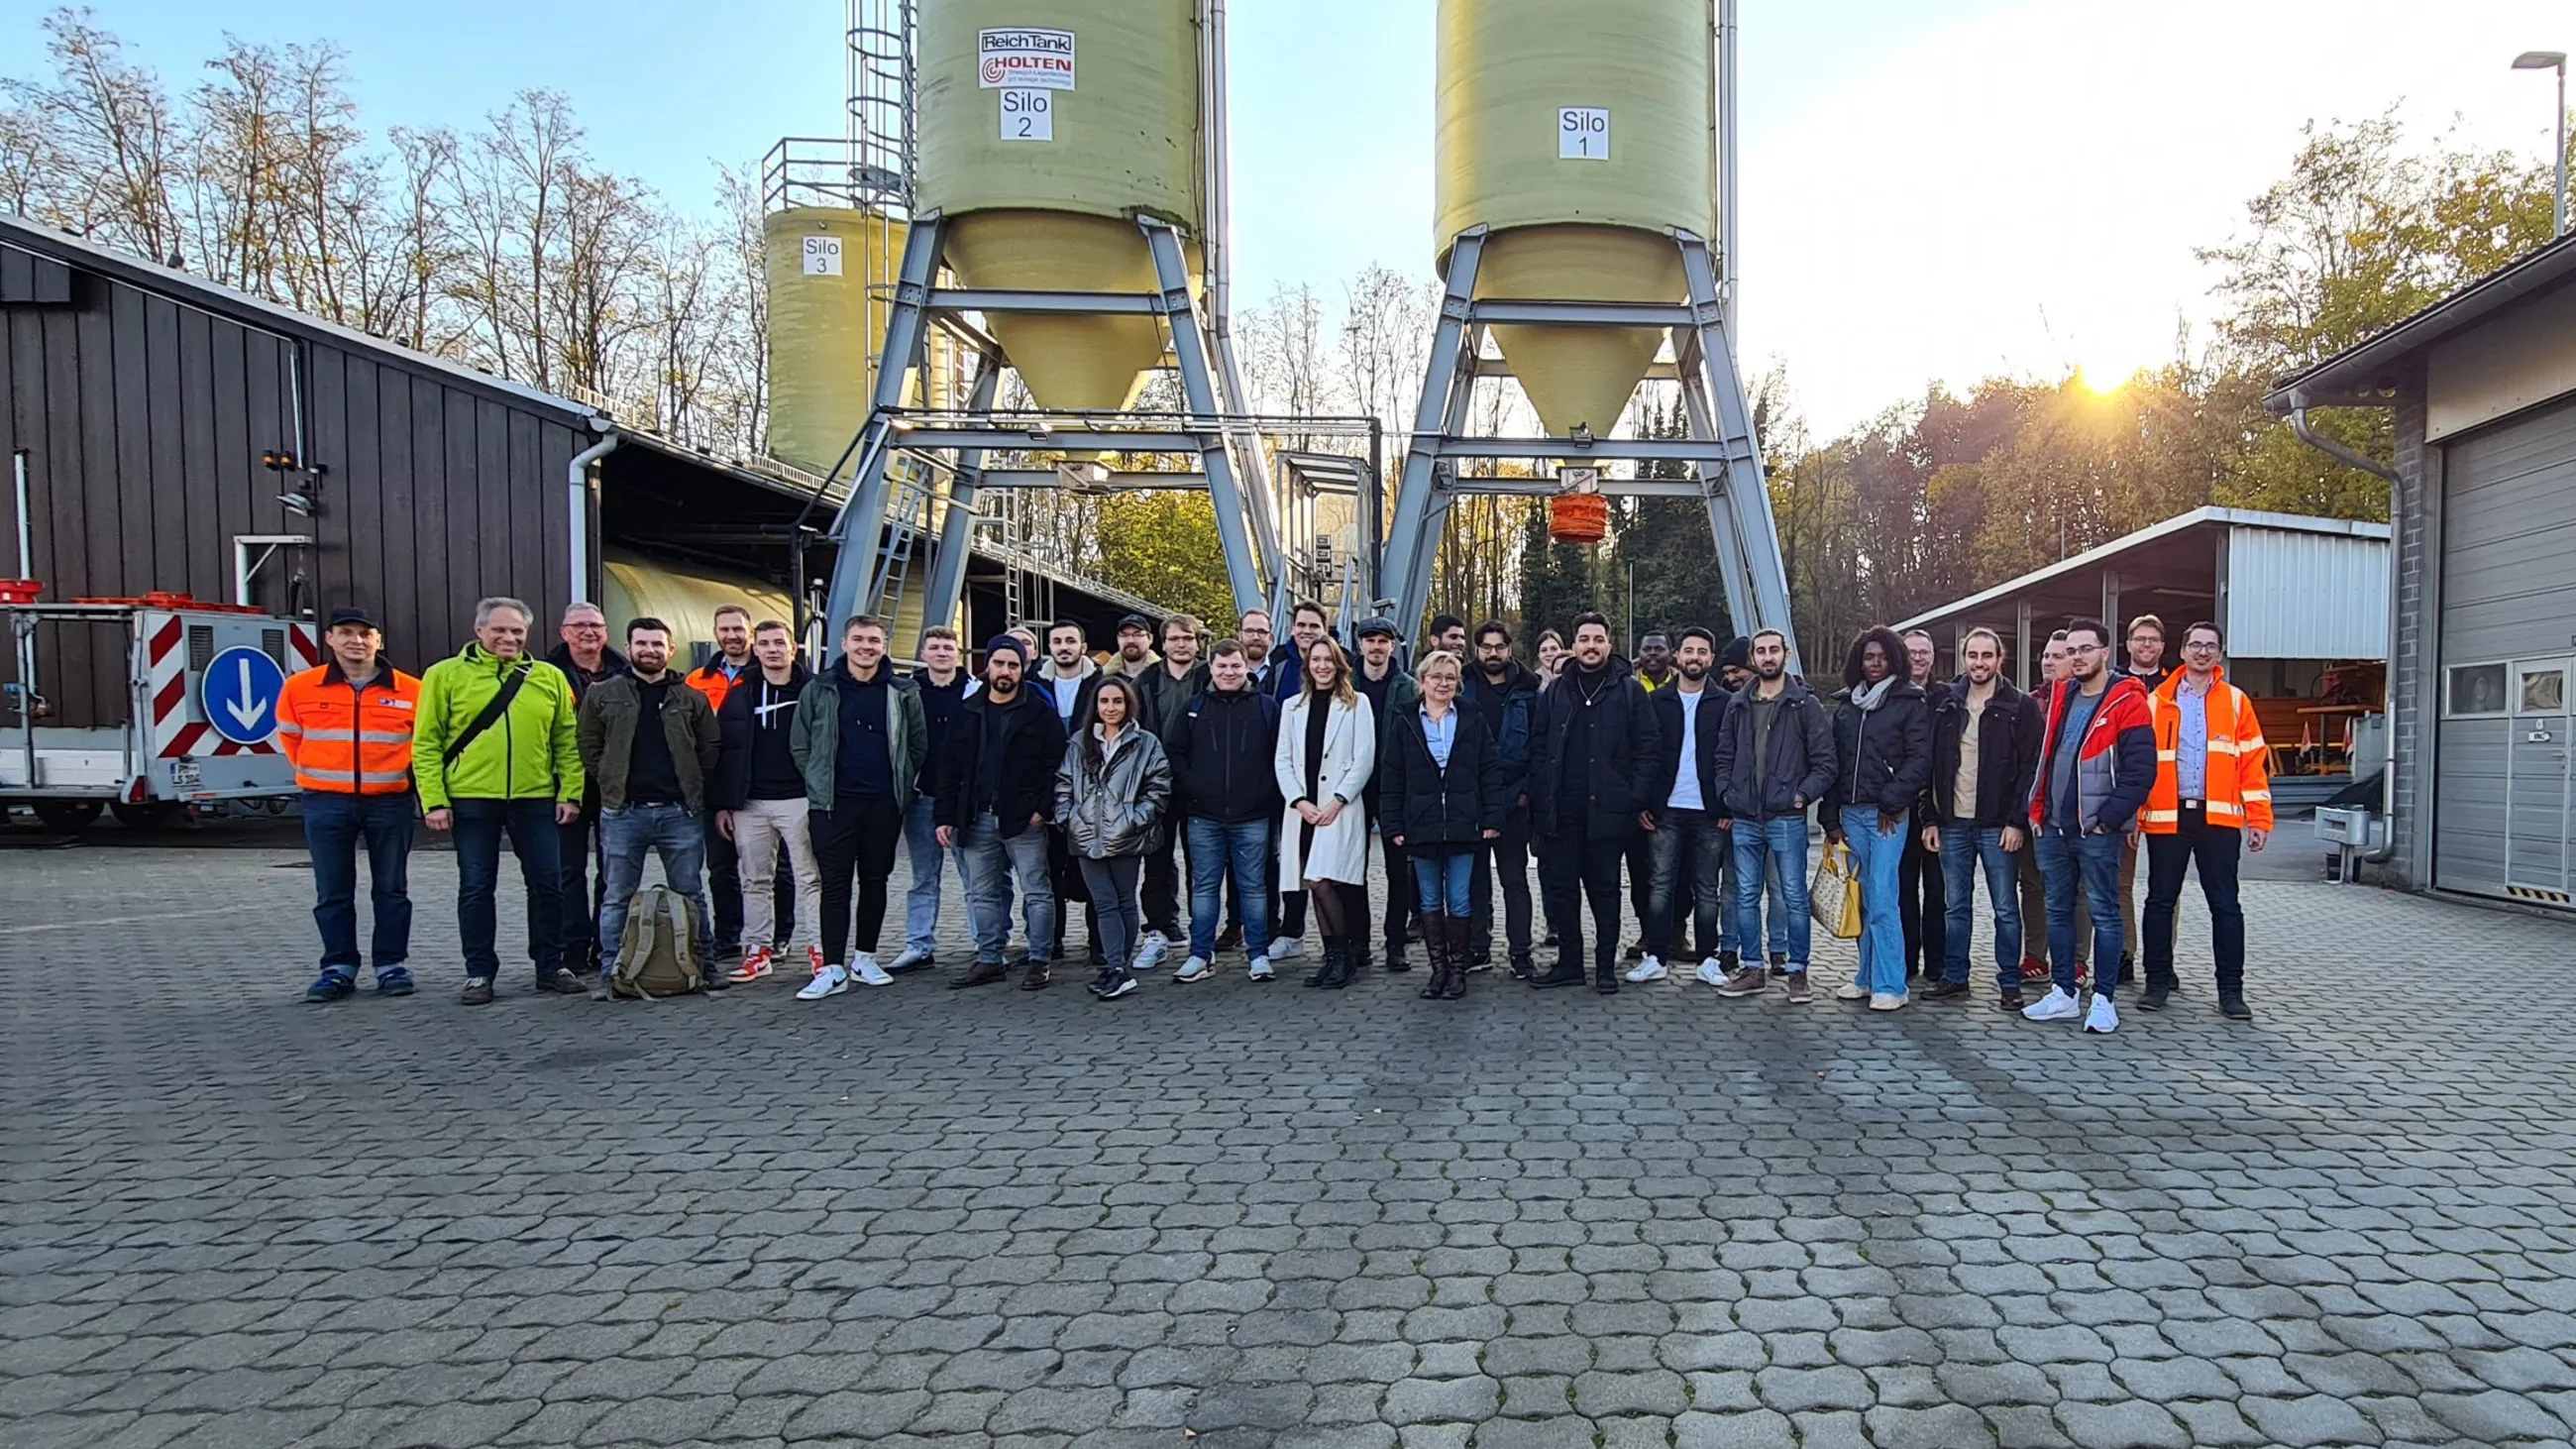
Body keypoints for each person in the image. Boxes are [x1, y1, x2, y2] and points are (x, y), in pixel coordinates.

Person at [413, 597, 585, 1005]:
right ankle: (478, 973)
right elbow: (426, 743)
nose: (509, 638)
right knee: (476, 885)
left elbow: (566, 739)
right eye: (500, 630)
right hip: (472, 798)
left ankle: (550, 965)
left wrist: (570, 791)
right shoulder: (444, 675)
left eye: (517, 632)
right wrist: (434, 800)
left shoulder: (548, 677)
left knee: (548, 884)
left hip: (535, 797)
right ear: (479, 631)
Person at [280, 607, 421, 1001]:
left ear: (379, 640)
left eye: (365, 634)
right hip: (326, 802)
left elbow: (424, 746)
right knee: (332, 890)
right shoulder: (300, 688)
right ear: (329, 639)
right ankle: (337, 967)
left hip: (390, 801)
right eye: (346, 632)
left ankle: (391, 965)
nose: (356, 641)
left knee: (392, 889)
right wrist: (319, 774)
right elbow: (291, 738)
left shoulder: (412, 690)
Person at [2023, 616, 2156, 1034]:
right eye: (2071, 651)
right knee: (2058, 910)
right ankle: (2064, 993)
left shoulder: (2127, 699)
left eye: (2085, 649)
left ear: (2104, 652)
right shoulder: (2063, 696)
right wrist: (2037, 812)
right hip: (2054, 828)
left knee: (2104, 912)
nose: (2077, 657)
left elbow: (2141, 771)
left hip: (2095, 831)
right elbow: (2049, 759)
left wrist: (2107, 821)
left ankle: (2104, 999)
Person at [579, 616, 723, 986]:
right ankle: (613, 970)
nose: (649, 650)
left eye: (657, 644)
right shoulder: (602, 694)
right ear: (628, 649)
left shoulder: (691, 698)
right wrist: (611, 780)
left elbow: (710, 747)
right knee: (617, 896)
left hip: (680, 812)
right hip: (623, 812)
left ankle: (703, 965)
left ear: (670, 650)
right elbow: (588, 745)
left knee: (691, 892)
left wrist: (692, 783)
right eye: (641, 643)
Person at [790, 615, 927, 998]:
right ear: (845, 644)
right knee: (834, 885)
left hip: (883, 803)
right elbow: (800, 744)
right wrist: (819, 782)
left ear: (884, 645)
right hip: (833, 805)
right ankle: (832, 968)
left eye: (874, 640)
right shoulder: (819, 689)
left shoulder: (903, 691)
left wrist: (897, 784)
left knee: (874, 881)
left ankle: (865, 958)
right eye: (859, 639)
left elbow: (917, 746)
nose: (867, 646)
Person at [1525, 612, 1663, 994]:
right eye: (1584, 639)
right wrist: (1541, 795)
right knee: (1564, 890)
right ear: (1575, 644)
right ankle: (1570, 963)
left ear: (1609, 645)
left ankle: (1604, 967)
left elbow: (1649, 750)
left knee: (1605, 892)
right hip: (1563, 812)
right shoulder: (1557, 690)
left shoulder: (1630, 691)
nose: (1591, 646)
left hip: (1609, 813)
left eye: (1598, 639)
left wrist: (1633, 797)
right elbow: (1538, 747)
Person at [2140, 622, 2270, 1021]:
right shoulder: (2156, 701)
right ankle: (2157, 983)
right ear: (2181, 651)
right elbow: (2140, 763)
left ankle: (2231, 991)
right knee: (2160, 902)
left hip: (2219, 819)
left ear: (2219, 653)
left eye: (2210, 646)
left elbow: (2252, 763)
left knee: (2226, 906)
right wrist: (2134, 816)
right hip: (2168, 816)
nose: (2202, 652)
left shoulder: (2235, 701)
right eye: (2195, 644)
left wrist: (2259, 818)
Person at [1711, 628, 1836, 1004]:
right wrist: (1726, 794)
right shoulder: (1737, 704)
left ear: (1787, 655)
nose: (1767, 657)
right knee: (1746, 896)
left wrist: (1802, 796)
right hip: (1745, 817)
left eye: (1773, 650)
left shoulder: (1804, 705)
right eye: (1760, 651)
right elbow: (1723, 757)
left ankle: (1798, 972)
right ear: (1753, 657)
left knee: (1794, 897)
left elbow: (1826, 762)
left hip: (1786, 818)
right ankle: (1752, 969)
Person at [1922, 626, 2044, 1008]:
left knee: (2005, 907)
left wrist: (2016, 821)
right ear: (1964, 659)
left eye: (1986, 655)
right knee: (1955, 906)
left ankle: (2009, 982)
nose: (1979, 662)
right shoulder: (1946, 704)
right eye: (1972, 655)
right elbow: (1930, 765)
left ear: (1999, 659)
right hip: (1952, 823)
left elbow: (2030, 769)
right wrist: (1929, 818)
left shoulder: (2019, 706)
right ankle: (1955, 976)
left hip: (1997, 826)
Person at [937, 634, 1067, 990]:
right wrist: (944, 816)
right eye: (1000, 663)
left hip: (1024, 819)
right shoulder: (967, 711)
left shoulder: (1040, 712)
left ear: (1023, 669)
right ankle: (989, 958)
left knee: (1037, 891)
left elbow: (1056, 764)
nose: (1006, 671)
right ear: (988, 665)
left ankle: (1040, 959)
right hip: (975, 817)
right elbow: (949, 768)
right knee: (983, 892)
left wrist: (1043, 809)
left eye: (1013, 665)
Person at [1379, 650, 1505, 1000]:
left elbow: (1489, 770)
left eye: (1450, 677)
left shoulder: (1471, 718)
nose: (1443, 683)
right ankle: (1438, 971)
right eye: (1436, 677)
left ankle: (1458, 971)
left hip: (1464, 825)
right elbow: (1393, 777)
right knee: (1430, 900)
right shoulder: (1405, 721)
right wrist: (1392, 824)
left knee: (1460, 900)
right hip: (1421, 825)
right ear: (1422, 682)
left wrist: (1493, 817)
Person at [1821, 627, 1932, 1012]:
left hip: (1887, 815)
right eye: (1869, 657)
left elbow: (1920, 759)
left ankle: (1892, 984)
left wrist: (1892, 799)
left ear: (1894, 660)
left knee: (1884, 897)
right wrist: (1829, 814)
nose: (1875, 663)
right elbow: (1833, 763)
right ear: (1858, 660)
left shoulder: (1910, 702)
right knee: (1863, 898)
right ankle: (1866, 977)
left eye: (1882, 657)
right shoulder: (1846, 707)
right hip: (1850, 815)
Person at [711, 619, 821, 984]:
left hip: (801, 799)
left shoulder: (814, 690)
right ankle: (757, 950)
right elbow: (724, 749)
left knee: (812, 879)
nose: (772, 649)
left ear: (793, 648)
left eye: (779, 643)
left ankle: (822, 951)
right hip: (751, 803)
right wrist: (725, 803)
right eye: (765, 644)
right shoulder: (740, 692)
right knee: (755, 880)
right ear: (754, 650)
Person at [1169, 638, 1280, 982]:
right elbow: (1174, 753)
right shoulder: (1193, 708)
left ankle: (1259, 954)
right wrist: (1194, 788)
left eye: (1235, 666)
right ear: (1211, 668)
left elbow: (1281, 756)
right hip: (1204, 815)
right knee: (1203, 888)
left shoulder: (1267, 707)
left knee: (1253, 888)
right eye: (1221, 667)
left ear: (1246, 666)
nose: (1229, 672)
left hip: (1253, 815)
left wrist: (1264, 793)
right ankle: (1200, 954)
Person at [1055, 675, 1172, 1001]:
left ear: (1128, 705)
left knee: (1123, 901)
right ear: (1096, 705)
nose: (1110, 708)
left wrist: (1135, 820)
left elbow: (1159, 785)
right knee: (1103, 903)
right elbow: (1064, 781)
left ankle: (1119, 970)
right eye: (1104, 702)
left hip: (1126, 836)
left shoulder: (1145, 742)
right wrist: (1068, 817)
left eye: (1117, 701)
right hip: (1085, 835)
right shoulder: (1080, 741)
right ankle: (1114, 967)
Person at [1274, 636, 1378, 989]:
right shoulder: (1291, 707)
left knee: (1323, 880)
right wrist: (1300, 802)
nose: (1321, 666)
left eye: (1328, 660)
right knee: (1312, 880)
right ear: (1307, 665)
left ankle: (1345, 956)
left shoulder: (1356, 704)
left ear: (1339, 665)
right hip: (1303, 810)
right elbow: (1283, 760)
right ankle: (1332, 955)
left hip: (1339, 807)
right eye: (1315, 660)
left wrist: (1337, 801)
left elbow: (1364, 759)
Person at [1635, 627, 1732, 985]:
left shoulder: (1724, 703)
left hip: (1710, 811)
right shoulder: (1657, 700)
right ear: (1677, 656)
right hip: (1666, 810)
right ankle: (1656, 957)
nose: (1694, 657)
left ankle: (1709, 959)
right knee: (1659, 885)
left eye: (1702, 652)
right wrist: (1643, 801)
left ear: (1711, 658)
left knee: (1707, 888)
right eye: (1688, 650)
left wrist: (1728, 806)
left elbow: (1732, 757)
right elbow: (1645, 753)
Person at [546, 602, 628, 977]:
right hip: (566, 787)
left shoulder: (624, 674)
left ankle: (606, 944)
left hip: (613, 786)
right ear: (564, 633)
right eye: (579, 626)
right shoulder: (546, 674)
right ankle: (572, 950)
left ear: (606, 632)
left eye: (595, 625)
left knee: (612, 872)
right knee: (568, 871)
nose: (588, 632)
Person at [891, 624, 977, 976]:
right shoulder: (906, 693)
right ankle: (919, 945)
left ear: (958, 653)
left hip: (963, 799)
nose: (942, 653)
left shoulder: (975, 692)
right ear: (923, 654)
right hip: (922, 796)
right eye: (935, 648)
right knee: (923, 877)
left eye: (948, 647)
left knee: (975, 878)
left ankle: (983, 943)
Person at [687, 604, 771, 964]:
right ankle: (727, 937)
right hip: (714, 784)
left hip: (761, 783)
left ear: (750, 632)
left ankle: (776, 936)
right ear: (716, 633)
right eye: (725, 629)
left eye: (738, 629)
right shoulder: (696, 680)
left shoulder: (768, 672)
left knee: (769, 867)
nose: (732, 636)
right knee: (721, 867)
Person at [1463, 620, 1541, 976]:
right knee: (1475, 881)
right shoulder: (1462, 687)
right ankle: (1478, 948)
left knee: (1514, 881)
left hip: (1513, 802)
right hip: (1471, 801)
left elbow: (1541, 749)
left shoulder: (1529, 692)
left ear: (1510, 649)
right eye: (1486, 647)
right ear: (1476, 650)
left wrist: (1526, 792)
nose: (1492, 653)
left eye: (1499, 647)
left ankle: (1520, 951)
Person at [1132, 613, 1207, 971]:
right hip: (1157, 784)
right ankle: (1160, 927)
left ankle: (1201, 930)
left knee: (1201, 861)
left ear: (1197, 642)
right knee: (1157, 860)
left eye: (1188, 639)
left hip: (1198, 782)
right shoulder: (1145, 681)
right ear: (1163, 643)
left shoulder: (1209, 676)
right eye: (1175, 638)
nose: (1181, 644)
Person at [1264, 601, 1338, 958]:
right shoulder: (1278, 666)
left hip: (1332, 793)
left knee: (1329, 871)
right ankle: (1291, 931)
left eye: (1314, 625)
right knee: (1292, 861)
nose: (1306, 631)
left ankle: (1342, 945)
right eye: (1301, 625)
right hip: (1292, 787)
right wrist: (1293, 794)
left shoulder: (1344, 669)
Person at [2016, 630, 2090, 986]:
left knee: (2077, 889)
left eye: (2058, 655)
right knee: (2032, 885)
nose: (2049, 661)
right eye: (2046, 655)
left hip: (2075, 814)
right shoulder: (2027, 703)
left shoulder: (2086, 702)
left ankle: (2077, 961)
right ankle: (2035, 957)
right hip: (2034, 812)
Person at [1350, 615, 1421, 971]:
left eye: (1383, 641)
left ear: (1392, 646)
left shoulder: (1407, 687)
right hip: (1353, 788)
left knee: (1398, 871)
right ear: (1359, 645)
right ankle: (1358, 942)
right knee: (1352, 868)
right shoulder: (1346, 684)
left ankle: (1396, 943)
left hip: (1395, 789)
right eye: (1370, 640)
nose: (1376, 647)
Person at [2111, 613, 2170, 987]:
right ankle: (2124, 954)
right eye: (2140, 639)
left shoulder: (2176, 686)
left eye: (2153, 640)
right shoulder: (2114, 685)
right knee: (2120, 883)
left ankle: (2163, 960)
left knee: (2167, 888)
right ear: (2128, 644)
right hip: (2126, 797)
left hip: (2168, 799)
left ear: (2162, 647)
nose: (2146, 645)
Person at [1623, 629, 1678, 961]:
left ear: (1671, 653)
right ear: (1638, 654)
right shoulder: (1627, 688)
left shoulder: (1685, 685)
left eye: (1659, 649)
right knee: (1642, 872)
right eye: (1647, 649)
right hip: (1638, 795)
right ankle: (1647, 932)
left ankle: (1677, 933)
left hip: (1679, 795)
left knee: (1678, 873)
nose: (1653, 654)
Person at [1896, 629, 1948, 982]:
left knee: (1938, 891)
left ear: (1933, 656)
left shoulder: (1947, 698)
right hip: (1899, 809)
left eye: (1924, 651)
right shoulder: (1891, 696)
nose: (1918, 657)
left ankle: (1938, 962)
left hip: (1940, 810)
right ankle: (1906, 959)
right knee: (1902, 890)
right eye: (1911, 651)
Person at [1111, 613, 1161, 679]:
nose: (1130, 640)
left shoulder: (1163, 676)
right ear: (1118, 639)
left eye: (1137, 635)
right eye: (1124, 635)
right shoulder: (1101, 677)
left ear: (1150, 639)